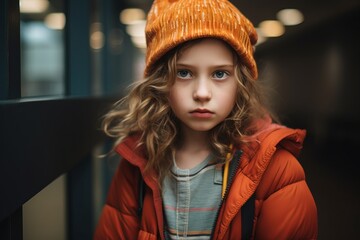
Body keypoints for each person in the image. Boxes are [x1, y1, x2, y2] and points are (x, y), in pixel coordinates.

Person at [94, 0, 318, 239]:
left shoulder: (276, 170)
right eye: (184, 73)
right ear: (161, 82)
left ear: (239, 84)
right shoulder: (138, 160)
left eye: (219, 74)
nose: (202, 93)